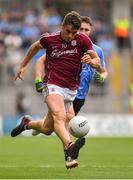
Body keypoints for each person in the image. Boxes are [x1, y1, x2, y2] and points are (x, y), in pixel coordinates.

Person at [11, 11, 103, 169]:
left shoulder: (82, 40)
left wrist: (93, 61)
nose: (70, 36)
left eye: (74, 33)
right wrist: (23, 66)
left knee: (47, 128)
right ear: (61, 26)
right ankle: (70, 151)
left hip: (71, 89)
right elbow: (34, 47)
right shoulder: (50, 40)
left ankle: (27, 124)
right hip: (52, 84)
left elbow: (96, 61)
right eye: (68, 32)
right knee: (60, 117)